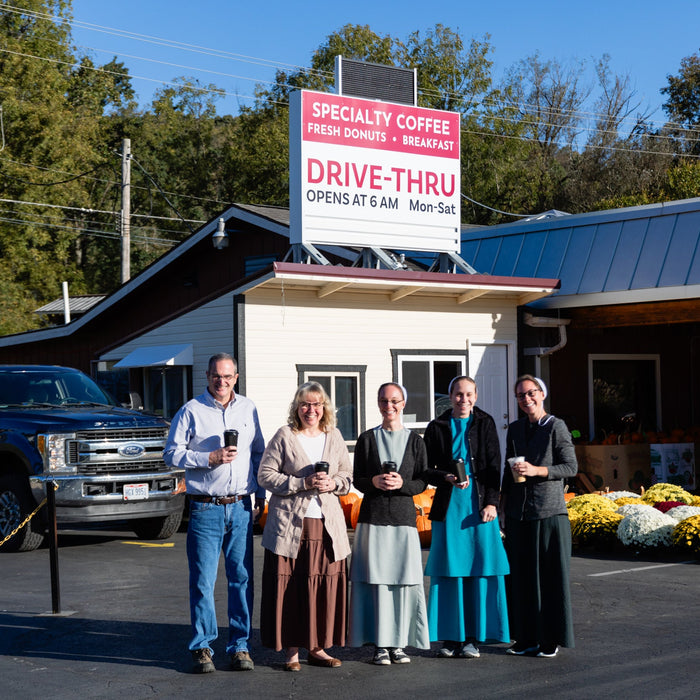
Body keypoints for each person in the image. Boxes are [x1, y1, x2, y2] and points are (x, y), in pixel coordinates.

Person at [163, 353, 265, 674]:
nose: (222, 382)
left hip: (241, 506)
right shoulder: (191, 411)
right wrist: (210, 458)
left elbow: (259, 451)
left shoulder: (248, 408)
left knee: (241, 579)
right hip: (205, 507)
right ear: (207, 377)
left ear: (236, 377)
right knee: (203, 582)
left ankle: (239, 646)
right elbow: (171, 454)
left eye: (228, 376)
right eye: (216, 376)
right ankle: (203, 646)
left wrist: (261, 493)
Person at [257, 382, 352, 671]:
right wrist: (301, 483)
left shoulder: (334, 436)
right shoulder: (285, 436)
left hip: (327, 527)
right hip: (289, 527)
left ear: (325, 408)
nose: (311, 410)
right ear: (296, 408)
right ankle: (292, 652)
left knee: (322, 587)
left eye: (317, 404)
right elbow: (265, 475)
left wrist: (333, 483)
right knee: (292, 588)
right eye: (305, 404)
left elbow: (347, 475)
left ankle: (318, 648)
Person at [423, 376, 510, 659]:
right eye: (459, 394)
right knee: (449, 571)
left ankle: (473, 637)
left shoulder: (485, 423)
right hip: (450, 506)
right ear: (450, 397)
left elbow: (494, 465)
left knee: (478, 569)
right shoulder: (436, 427)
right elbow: (426, 470)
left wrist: (492, 503)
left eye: (469, 394)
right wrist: (445, 476)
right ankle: (449, 638)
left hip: (479, 506)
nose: (464, 400)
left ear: (476, 395)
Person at [349, 382, 430, 665]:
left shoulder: (416, 441)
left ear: (403, 403)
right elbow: (357, 478)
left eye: (395, 401)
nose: (389, 406)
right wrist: (373, 481)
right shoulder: (367, 439)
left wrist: (403, 484)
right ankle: (380, 645)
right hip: (373, 519)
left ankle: (399, 643)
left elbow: (423, 480)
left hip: (404, 520)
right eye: (384, 401)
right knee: (377, 582)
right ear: (378, 403)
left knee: (403, 582)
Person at [502, 374, 578, 658]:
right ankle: (525, 637)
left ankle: (550, 639)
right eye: (520, 395)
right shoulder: (515, 429)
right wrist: (502, 505)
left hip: (549, 513)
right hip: (519, 514)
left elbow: (570, 467)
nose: (526, 399)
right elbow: (507, 472)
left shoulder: (556, 426)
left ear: (541, 394)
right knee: (522, 580)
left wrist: (537, 471)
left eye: (530, 393)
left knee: (549, 579)